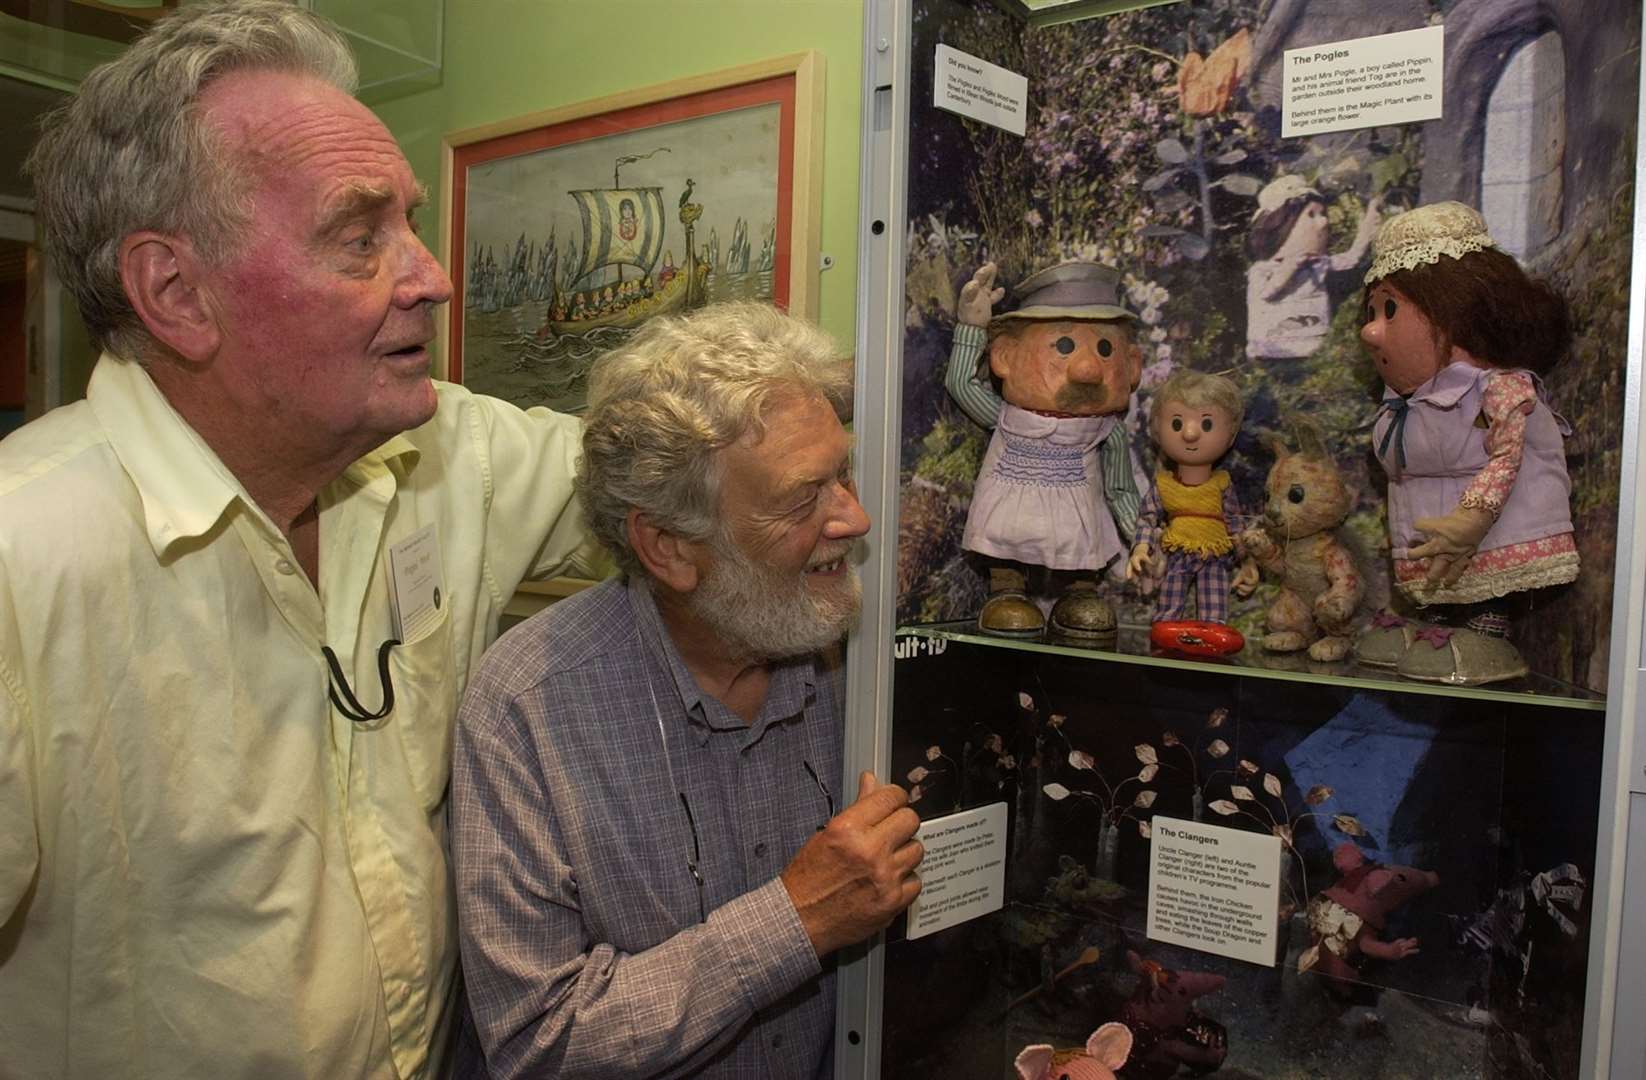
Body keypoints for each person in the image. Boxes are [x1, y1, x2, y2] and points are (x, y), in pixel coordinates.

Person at [0, 3, 592, 1076]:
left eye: (407, 224)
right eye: (359, 237)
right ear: (177, 293)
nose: (430, 276)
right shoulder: (19, 559)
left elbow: (679, 469)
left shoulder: (451, 454)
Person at [453, 302, 923, 1079]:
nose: (855, 518)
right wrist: (796, 921)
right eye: (803, 498)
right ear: (669, 547)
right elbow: (537, 1045)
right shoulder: (527, 709)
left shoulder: (858, 658)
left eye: (842, 474)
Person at [1353, 201, 1577, 685]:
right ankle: (1442, 620)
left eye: (1389, 309)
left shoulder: (1497, 388)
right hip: (1439, 554)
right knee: (1441, 588)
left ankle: (1487, 620)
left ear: (1454, 314)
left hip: (1495, 532)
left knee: (1482, 583)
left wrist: (1472, 516)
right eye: (1372, 311)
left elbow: (1508, 454)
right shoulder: (1403, 405)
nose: (1371, 331)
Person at [946, 260, 1144, 642]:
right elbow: (961, 385)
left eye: (1104, 348)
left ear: (1132, 366)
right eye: (1064, 345)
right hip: (1009, 528)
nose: (1086, 369)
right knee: (1006, 551)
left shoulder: (1106, 432)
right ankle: (1007, 589)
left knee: (1083, 557)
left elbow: (1121, 491)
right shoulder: (1007, 418)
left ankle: (1080, 591)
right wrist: (971, 326)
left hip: (1079, 533)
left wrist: (1142, 537)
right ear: (1004, 357)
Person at [1125, 370, 1259, 626]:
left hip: (1215, 557)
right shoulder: (1163, 485)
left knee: (1214, 614)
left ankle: (1212, 636)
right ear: (1157, 431)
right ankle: (1165, 634)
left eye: (1206, 424)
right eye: (1177, 423)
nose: (1189, 433)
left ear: (1230, 436)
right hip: (1178, 554)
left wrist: (1247, 561)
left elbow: (1234, 524)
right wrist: (1141, 548)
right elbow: (1147, 518)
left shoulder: (1222, 483)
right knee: (1169, 608)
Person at [1245, 175, 1381, 361]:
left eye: (1323, 213)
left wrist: (1367, 228)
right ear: (1283, 224)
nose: (1324, 222)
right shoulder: (1262, 269)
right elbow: (1266, 293)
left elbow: (1351, 258)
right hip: (1272, 351)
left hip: (1312, 349)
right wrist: (1289, 266)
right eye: (1311, 214)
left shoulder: (1317, 264)